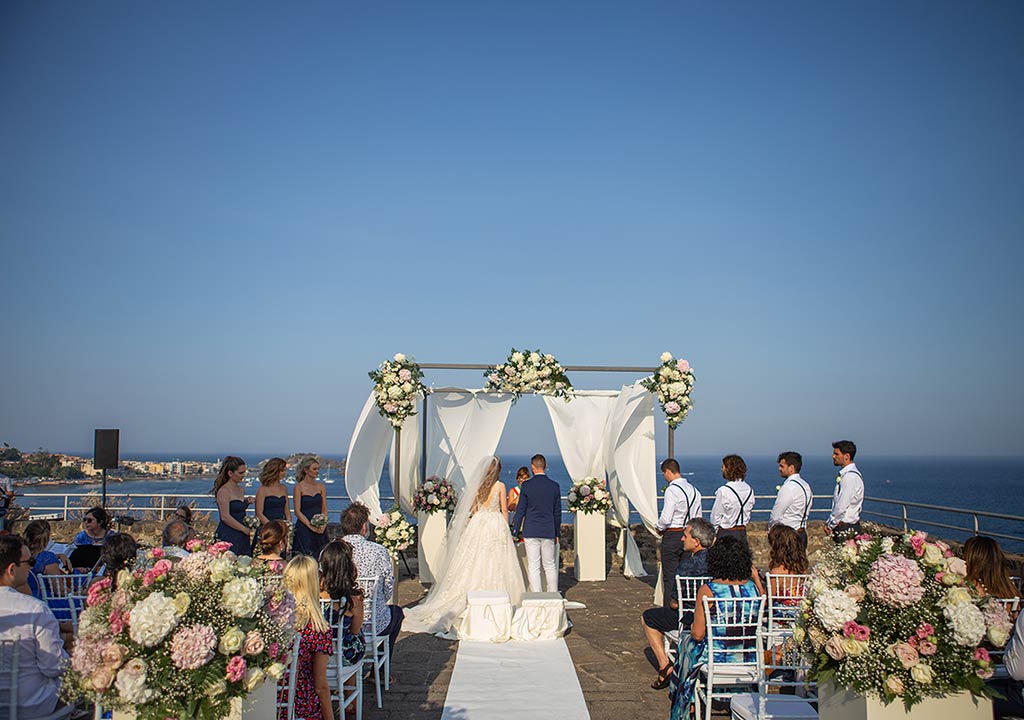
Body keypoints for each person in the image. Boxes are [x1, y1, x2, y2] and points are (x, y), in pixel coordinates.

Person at [407, 456, 526, 635]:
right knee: (497, 561)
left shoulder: (477, 486)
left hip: (479, 523)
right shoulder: (500, 486)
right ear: (498, 471)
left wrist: (478, 516)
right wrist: (507, 528)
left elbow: (473, 509)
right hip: (495, 523)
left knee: (474, 559)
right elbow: (504, 509)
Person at [668, 535, 762, 720]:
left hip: (716, 659)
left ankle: (686, 703)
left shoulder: (708, 590)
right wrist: (756, 577)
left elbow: (697, 633)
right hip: (747, 659)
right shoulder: (754, 589)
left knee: (686, 642)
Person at [642, 517, 715, 690]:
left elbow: (675, 603)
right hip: (715, 616)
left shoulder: (686, 567)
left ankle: (664, 665)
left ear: (696, 542)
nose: (682, 539)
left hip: (689, 617)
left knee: (648, 617)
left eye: (685, 536)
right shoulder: (719, 563)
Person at [0, 535, 68, 719]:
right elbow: (54, 666)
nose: (31, 566)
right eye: (29, 562)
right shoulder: (35, 610)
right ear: (12, 569)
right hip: (31, 705)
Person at [340, 503, 405, 653]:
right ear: (364, 527)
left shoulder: (330, 551)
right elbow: (388, 587)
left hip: (340, 620)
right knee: (396, 612)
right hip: (373, 621)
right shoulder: (379, 551)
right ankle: (382, 670)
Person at [284, 555, 336, 720]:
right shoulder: (317, 627)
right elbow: (321, 685)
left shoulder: (274, 619)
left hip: (272, 699)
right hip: (301, 704)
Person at [510, 454, 561, 594]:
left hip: (531, 530)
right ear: (545, 466)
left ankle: (537, 595)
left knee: (534, 566)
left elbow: (520, 510)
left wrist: (515, 531)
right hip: (548, 530)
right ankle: (553, 594)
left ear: (532, 467)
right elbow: (557, 513)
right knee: (549, 565)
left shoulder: (526, 486)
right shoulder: (555, 486)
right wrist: (557, 533)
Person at [656, 458, 703, 607]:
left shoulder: (672, 490)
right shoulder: (694, 490)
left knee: (669, 576)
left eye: (664, 473)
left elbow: (666, 516)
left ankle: (668, 612)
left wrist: (659, 527)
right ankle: (685, 608)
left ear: (668, 471)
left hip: (672, 534)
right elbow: (698, 517)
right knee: (685, 575)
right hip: (689, 535)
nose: (664, 477)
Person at [318, 540, 367, 667]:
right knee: (357, 638)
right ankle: (348, 684)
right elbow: (355, 631)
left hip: (317, 651)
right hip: (342, 654)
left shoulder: (316, 592)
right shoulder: (354, 599)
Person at [769, 452, 812, 550]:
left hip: (788, 535)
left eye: (782, 466)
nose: (779, 469)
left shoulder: (788, 487)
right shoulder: (806, 485)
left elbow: (776, 515)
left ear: (791, 468)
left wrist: (771, 531)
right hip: (801, 533)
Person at [710, 455, 754, 546]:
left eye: (723, 466)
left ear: (728, 469)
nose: (722, 469)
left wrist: (713, 534)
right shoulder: (749, 489)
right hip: (742, 532)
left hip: (726, 533)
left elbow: (715, 516)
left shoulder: (724, 490)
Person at [212, 456, 252, 556]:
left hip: (242, 533)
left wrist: (246, 502)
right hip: (229, 532)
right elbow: (225, 516)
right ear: (230, 473)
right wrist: (244, 529)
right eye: (240, 473)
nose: (243, 475)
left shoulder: (241, 489)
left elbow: (238, 509)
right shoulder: (224, 491)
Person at [825, 440, 863, 542]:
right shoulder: (851, 475)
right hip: (847, 526)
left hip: (845, 527)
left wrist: (830, 524)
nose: (833, 456)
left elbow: (842, 505)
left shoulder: (849, 477)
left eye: (836, 454)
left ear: (847, 456)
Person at [293, 456, 328, 558]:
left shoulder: (321, 487)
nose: (317, 471)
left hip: (320, 526)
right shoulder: (298, 488)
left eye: (318, 469)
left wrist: (323, 524)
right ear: (306, 470)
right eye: (314, 469)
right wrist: (310, 526)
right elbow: (297, 511)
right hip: (305, 526)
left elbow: (324, 508)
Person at [257, 457, 292, 525]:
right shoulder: (263, 489)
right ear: (275, 471)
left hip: (282, 526)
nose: (285, 473)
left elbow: (287, 512)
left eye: (285, 470)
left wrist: (288, 525)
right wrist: (272, 528)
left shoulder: (284, 488)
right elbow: (259, 514)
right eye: (282, 471)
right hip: (268, 527)